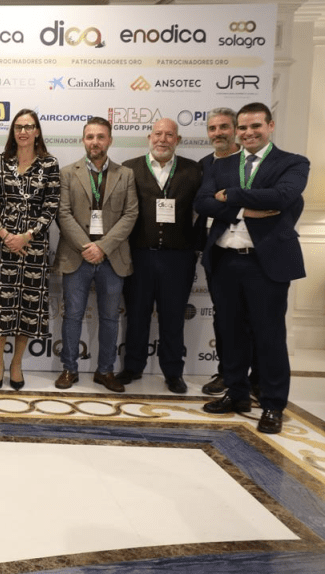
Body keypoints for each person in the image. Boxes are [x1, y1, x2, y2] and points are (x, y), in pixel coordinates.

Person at [197, 102, 308, 434]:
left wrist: (230, 195)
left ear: (270, 126)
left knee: (269, 336)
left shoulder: (293, 163)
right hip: (224, 260)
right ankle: (237, 394)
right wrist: (244, 210)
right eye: (243, 127)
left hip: (265, 263)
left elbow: (282, 197)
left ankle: (273, 404)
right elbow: (202, 202)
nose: (248, 133)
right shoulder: (222, 163)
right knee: (230, 333)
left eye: (255, 126)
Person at [116, 119, 202, 393]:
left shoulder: (193, 170)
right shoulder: (129, 168)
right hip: (139, 256)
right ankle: (132, 367)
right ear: (149, 137)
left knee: (173, 318)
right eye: (158, 134)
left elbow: (203, 211)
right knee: (137, 315)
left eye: (169, 135)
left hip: (179, 259)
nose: (162, 139)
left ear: (178, 140)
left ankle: (173, 372)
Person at [54, 116, 138, 392]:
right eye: (90, 137)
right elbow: (63, 214)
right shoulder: (67, 173)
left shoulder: (125, 174)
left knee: (110, 318)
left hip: (112, 257)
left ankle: (105, 371)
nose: (95, 142)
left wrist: (102, 246)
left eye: (101, 137)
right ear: (83, 140)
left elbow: (130, 214)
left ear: (109, 140)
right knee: (73, 316)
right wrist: (86, 247)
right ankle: (69, 368)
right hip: (76, 255)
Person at [0, 109, 60, 391]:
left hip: (33, 247)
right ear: (13, 131)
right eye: (18, 127)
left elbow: (52, 205)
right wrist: (5, 234)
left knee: (27, 308)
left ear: (37, 131)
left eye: (28, 127)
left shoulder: (49, 164)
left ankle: (16, 363)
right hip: (1, 245)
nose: (23, 132)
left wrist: (27, 236)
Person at [196, 108, 254, 397]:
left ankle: (256, 377)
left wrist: (226, 203)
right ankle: (227, 373)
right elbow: (202, 204)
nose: (217, 133)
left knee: (255, 319)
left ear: (235, 130)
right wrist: (238, 207)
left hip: (253, 252)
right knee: (224, 318)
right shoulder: (204, 164)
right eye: (212, 128)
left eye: (223, 127)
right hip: (216, 251)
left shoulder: (251, 164)